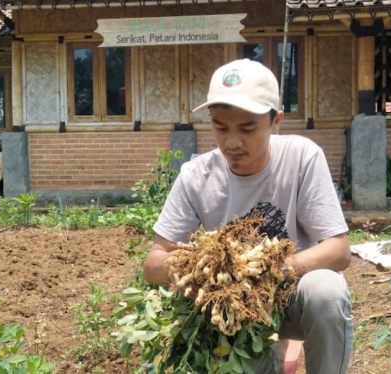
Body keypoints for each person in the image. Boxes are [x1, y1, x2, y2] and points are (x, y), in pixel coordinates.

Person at [143, 59, 354, 374]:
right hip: (233, 310)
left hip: (293, 298)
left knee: (327, 290)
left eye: (247, 128)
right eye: (220, 126)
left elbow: (338, 250)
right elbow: (153, 263)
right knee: (249, 355)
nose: (231, 142)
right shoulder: (195, 176)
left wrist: (259, 273)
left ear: (276, 121)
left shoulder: (302, 157)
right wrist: (194, 271)